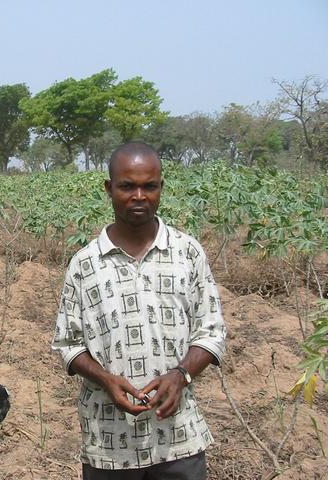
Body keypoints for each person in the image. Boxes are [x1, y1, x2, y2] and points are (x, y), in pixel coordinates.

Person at [52, 142, 226, 479]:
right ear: (109, 188)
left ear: (161, 187)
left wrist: (181, 375)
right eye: (127, 186)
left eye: (149, 186)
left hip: (178, 439)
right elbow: (67, 345)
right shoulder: (85, 264)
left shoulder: (187, 252)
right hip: (109, 445)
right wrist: (105, 380)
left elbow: (212, 331)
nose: (139, 195)